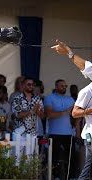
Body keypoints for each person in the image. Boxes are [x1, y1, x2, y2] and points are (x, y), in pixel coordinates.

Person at [52, 40, 92, 179]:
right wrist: (69, 53)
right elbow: (75, 113)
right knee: (88, 167)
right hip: (91, 135)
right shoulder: (87, 91)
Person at [44, 79, 76, 179]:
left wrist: (75, 127)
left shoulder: (70, 99)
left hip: (69, 133)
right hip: (54, 132)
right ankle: (55, 176)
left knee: (70, 156)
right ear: (56, 87)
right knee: (54, 156)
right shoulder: (49, 98)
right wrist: (66, 112)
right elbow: (49, 114)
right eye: (62, 86)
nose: (64, 87)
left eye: (65, 86)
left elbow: (75, 115)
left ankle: (70, 177)